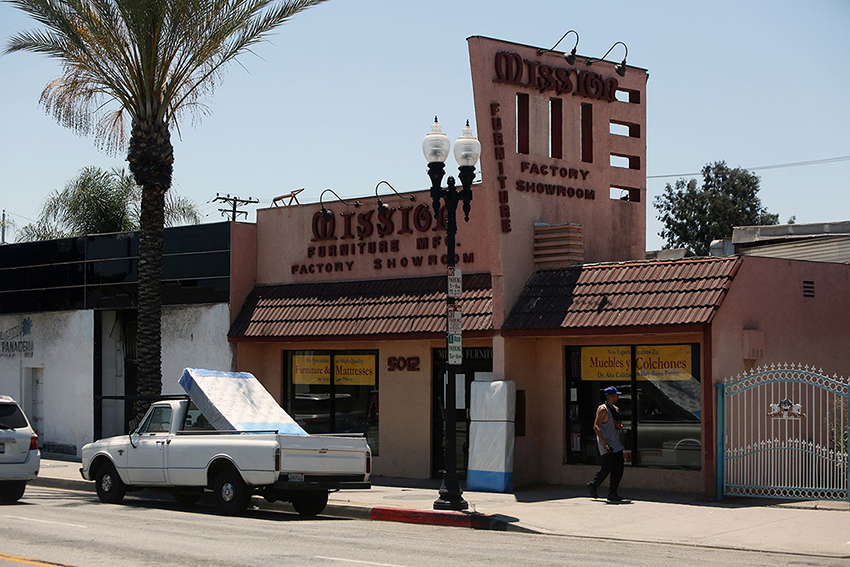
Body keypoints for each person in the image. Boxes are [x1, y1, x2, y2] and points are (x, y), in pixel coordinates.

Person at [586, 386, 625, 502]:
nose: (617, 397)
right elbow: (596, 426)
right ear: (610, 396)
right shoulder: (602, 410)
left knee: (619, 467)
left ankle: (613, 492)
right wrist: (604, 442)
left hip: (615, 443)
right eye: (616, 395)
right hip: (606, 443)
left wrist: (618, 426)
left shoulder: (615, 409)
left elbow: (616, 424)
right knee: (608, 466)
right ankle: (593, 484)